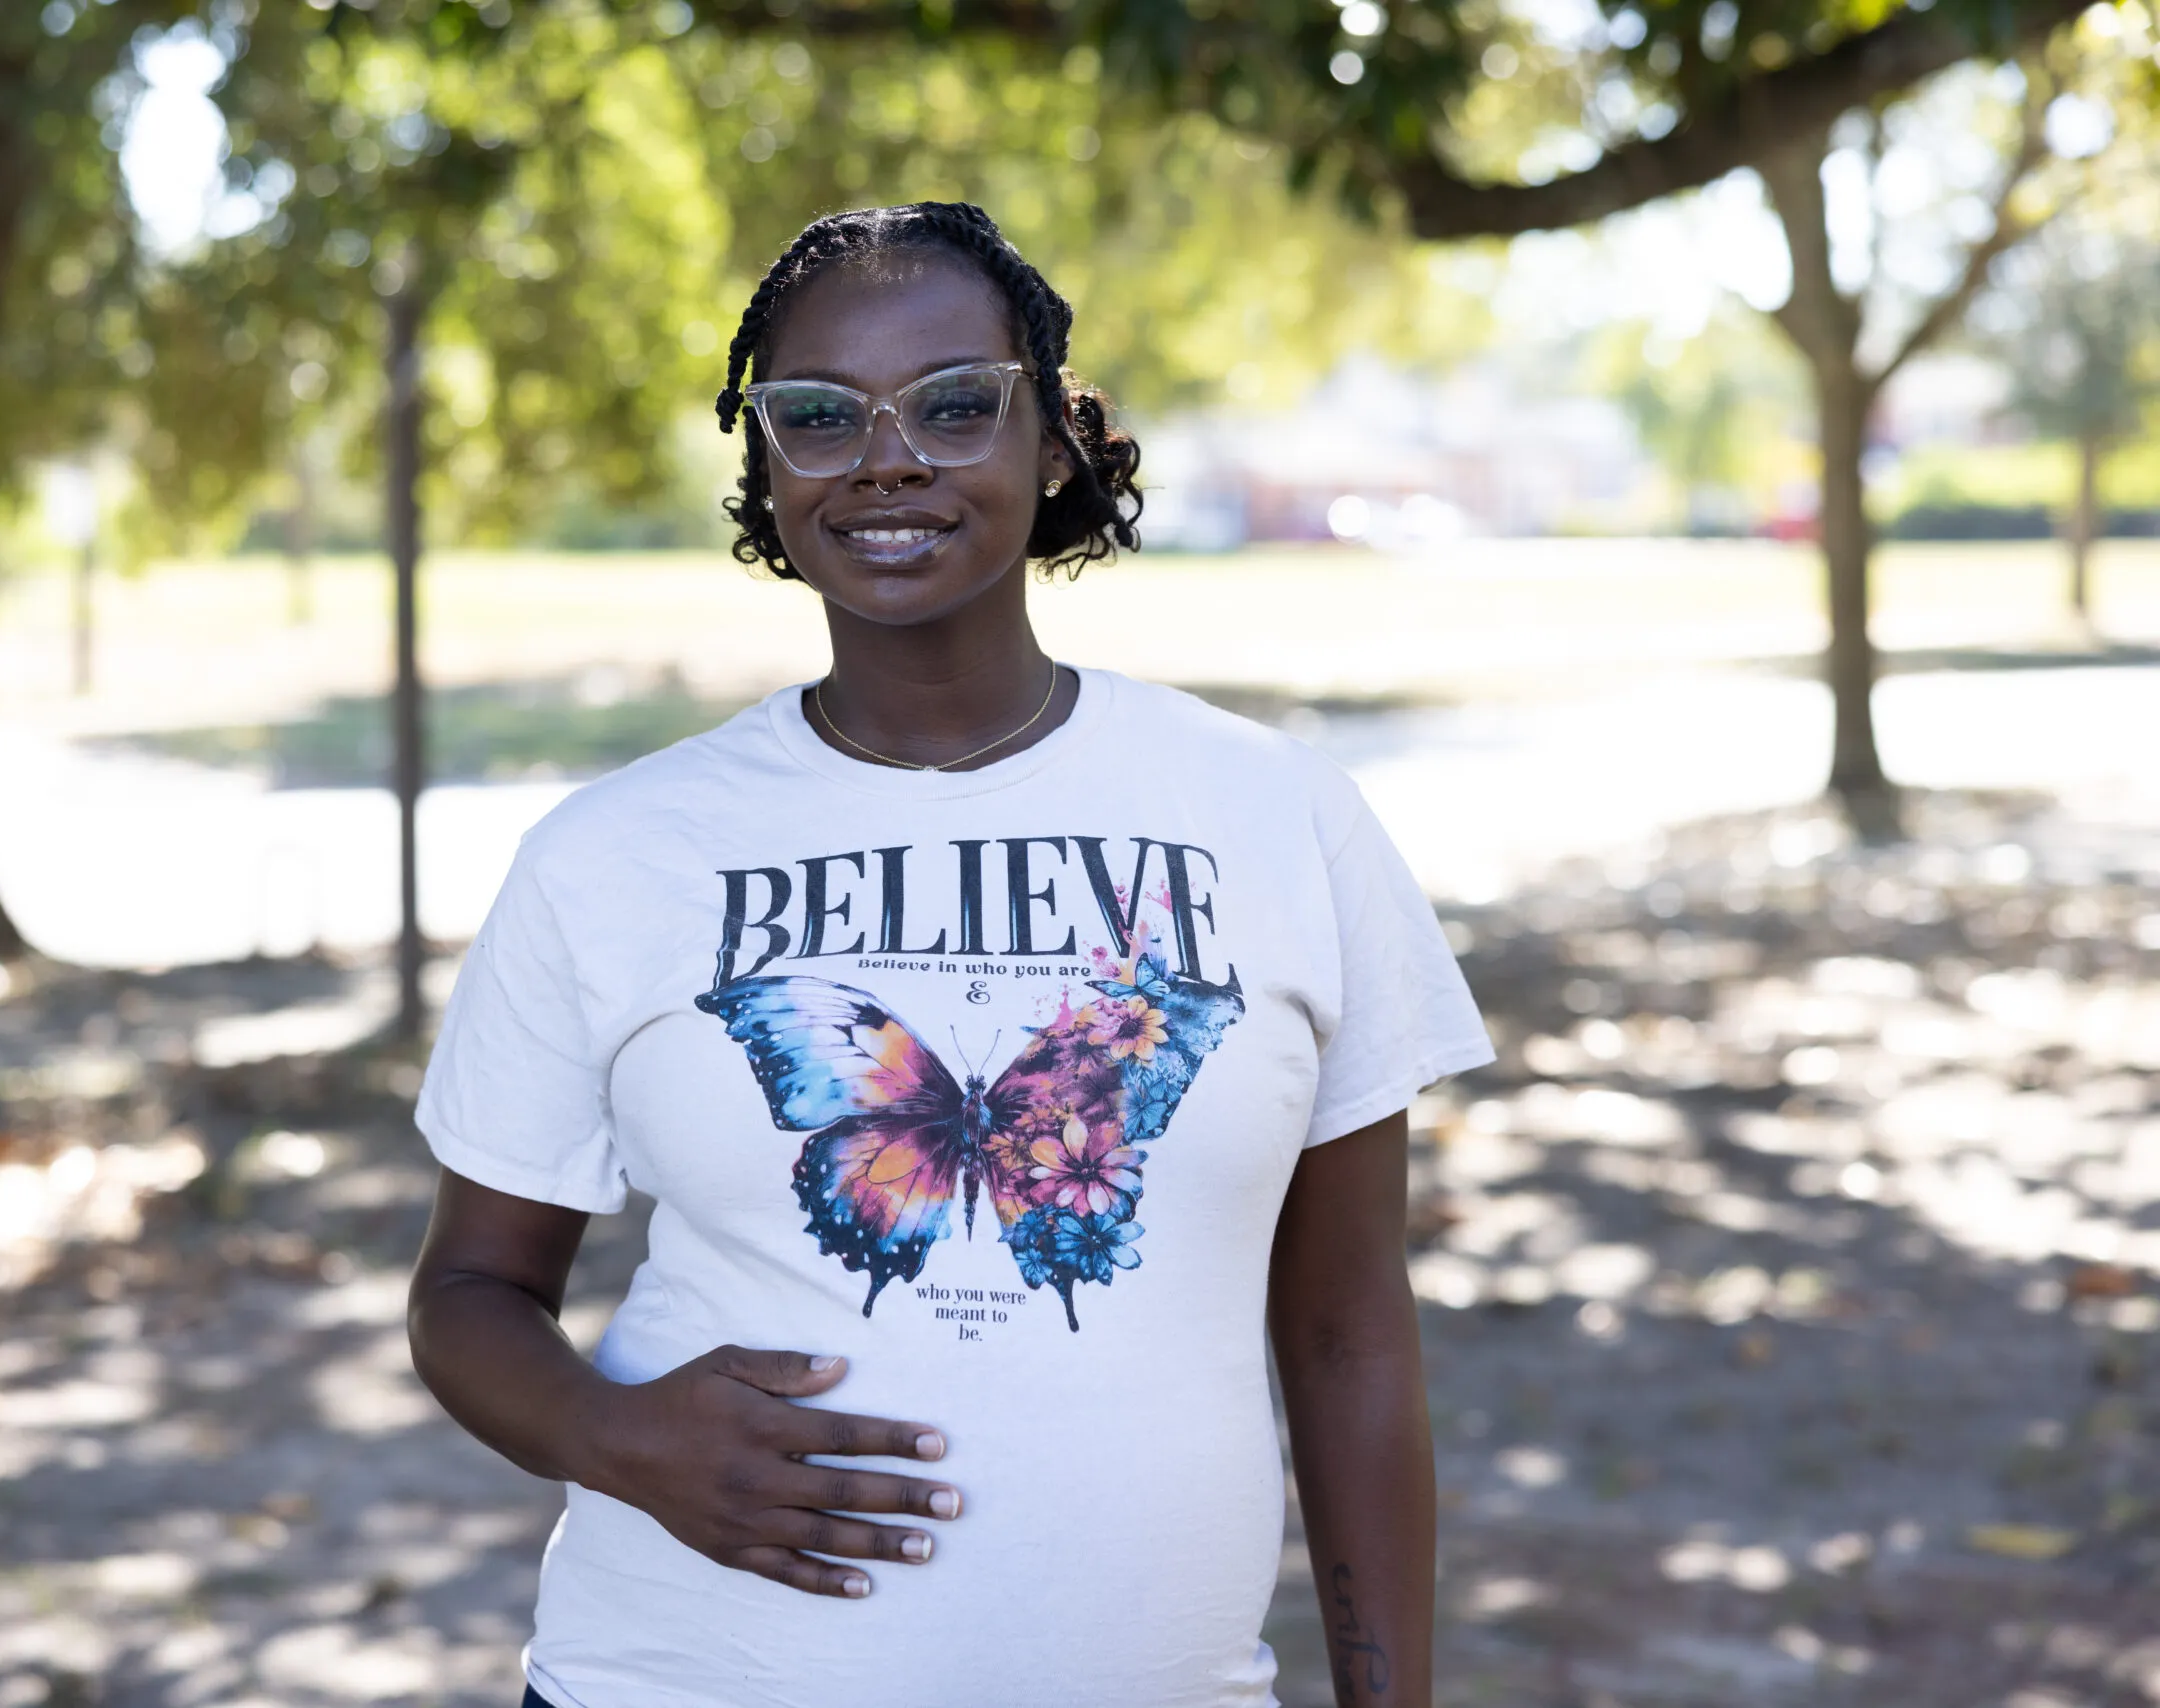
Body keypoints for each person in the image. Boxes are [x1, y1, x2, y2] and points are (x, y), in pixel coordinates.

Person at [406, 200, 1494, 1708]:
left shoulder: (1277, 815)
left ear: (1050, 441)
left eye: (955, 404)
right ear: (766, 463)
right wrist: (621, 1438)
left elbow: (1349, 1330)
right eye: (818, 415)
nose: (887, 459)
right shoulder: (613, 853)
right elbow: (467, 1291)